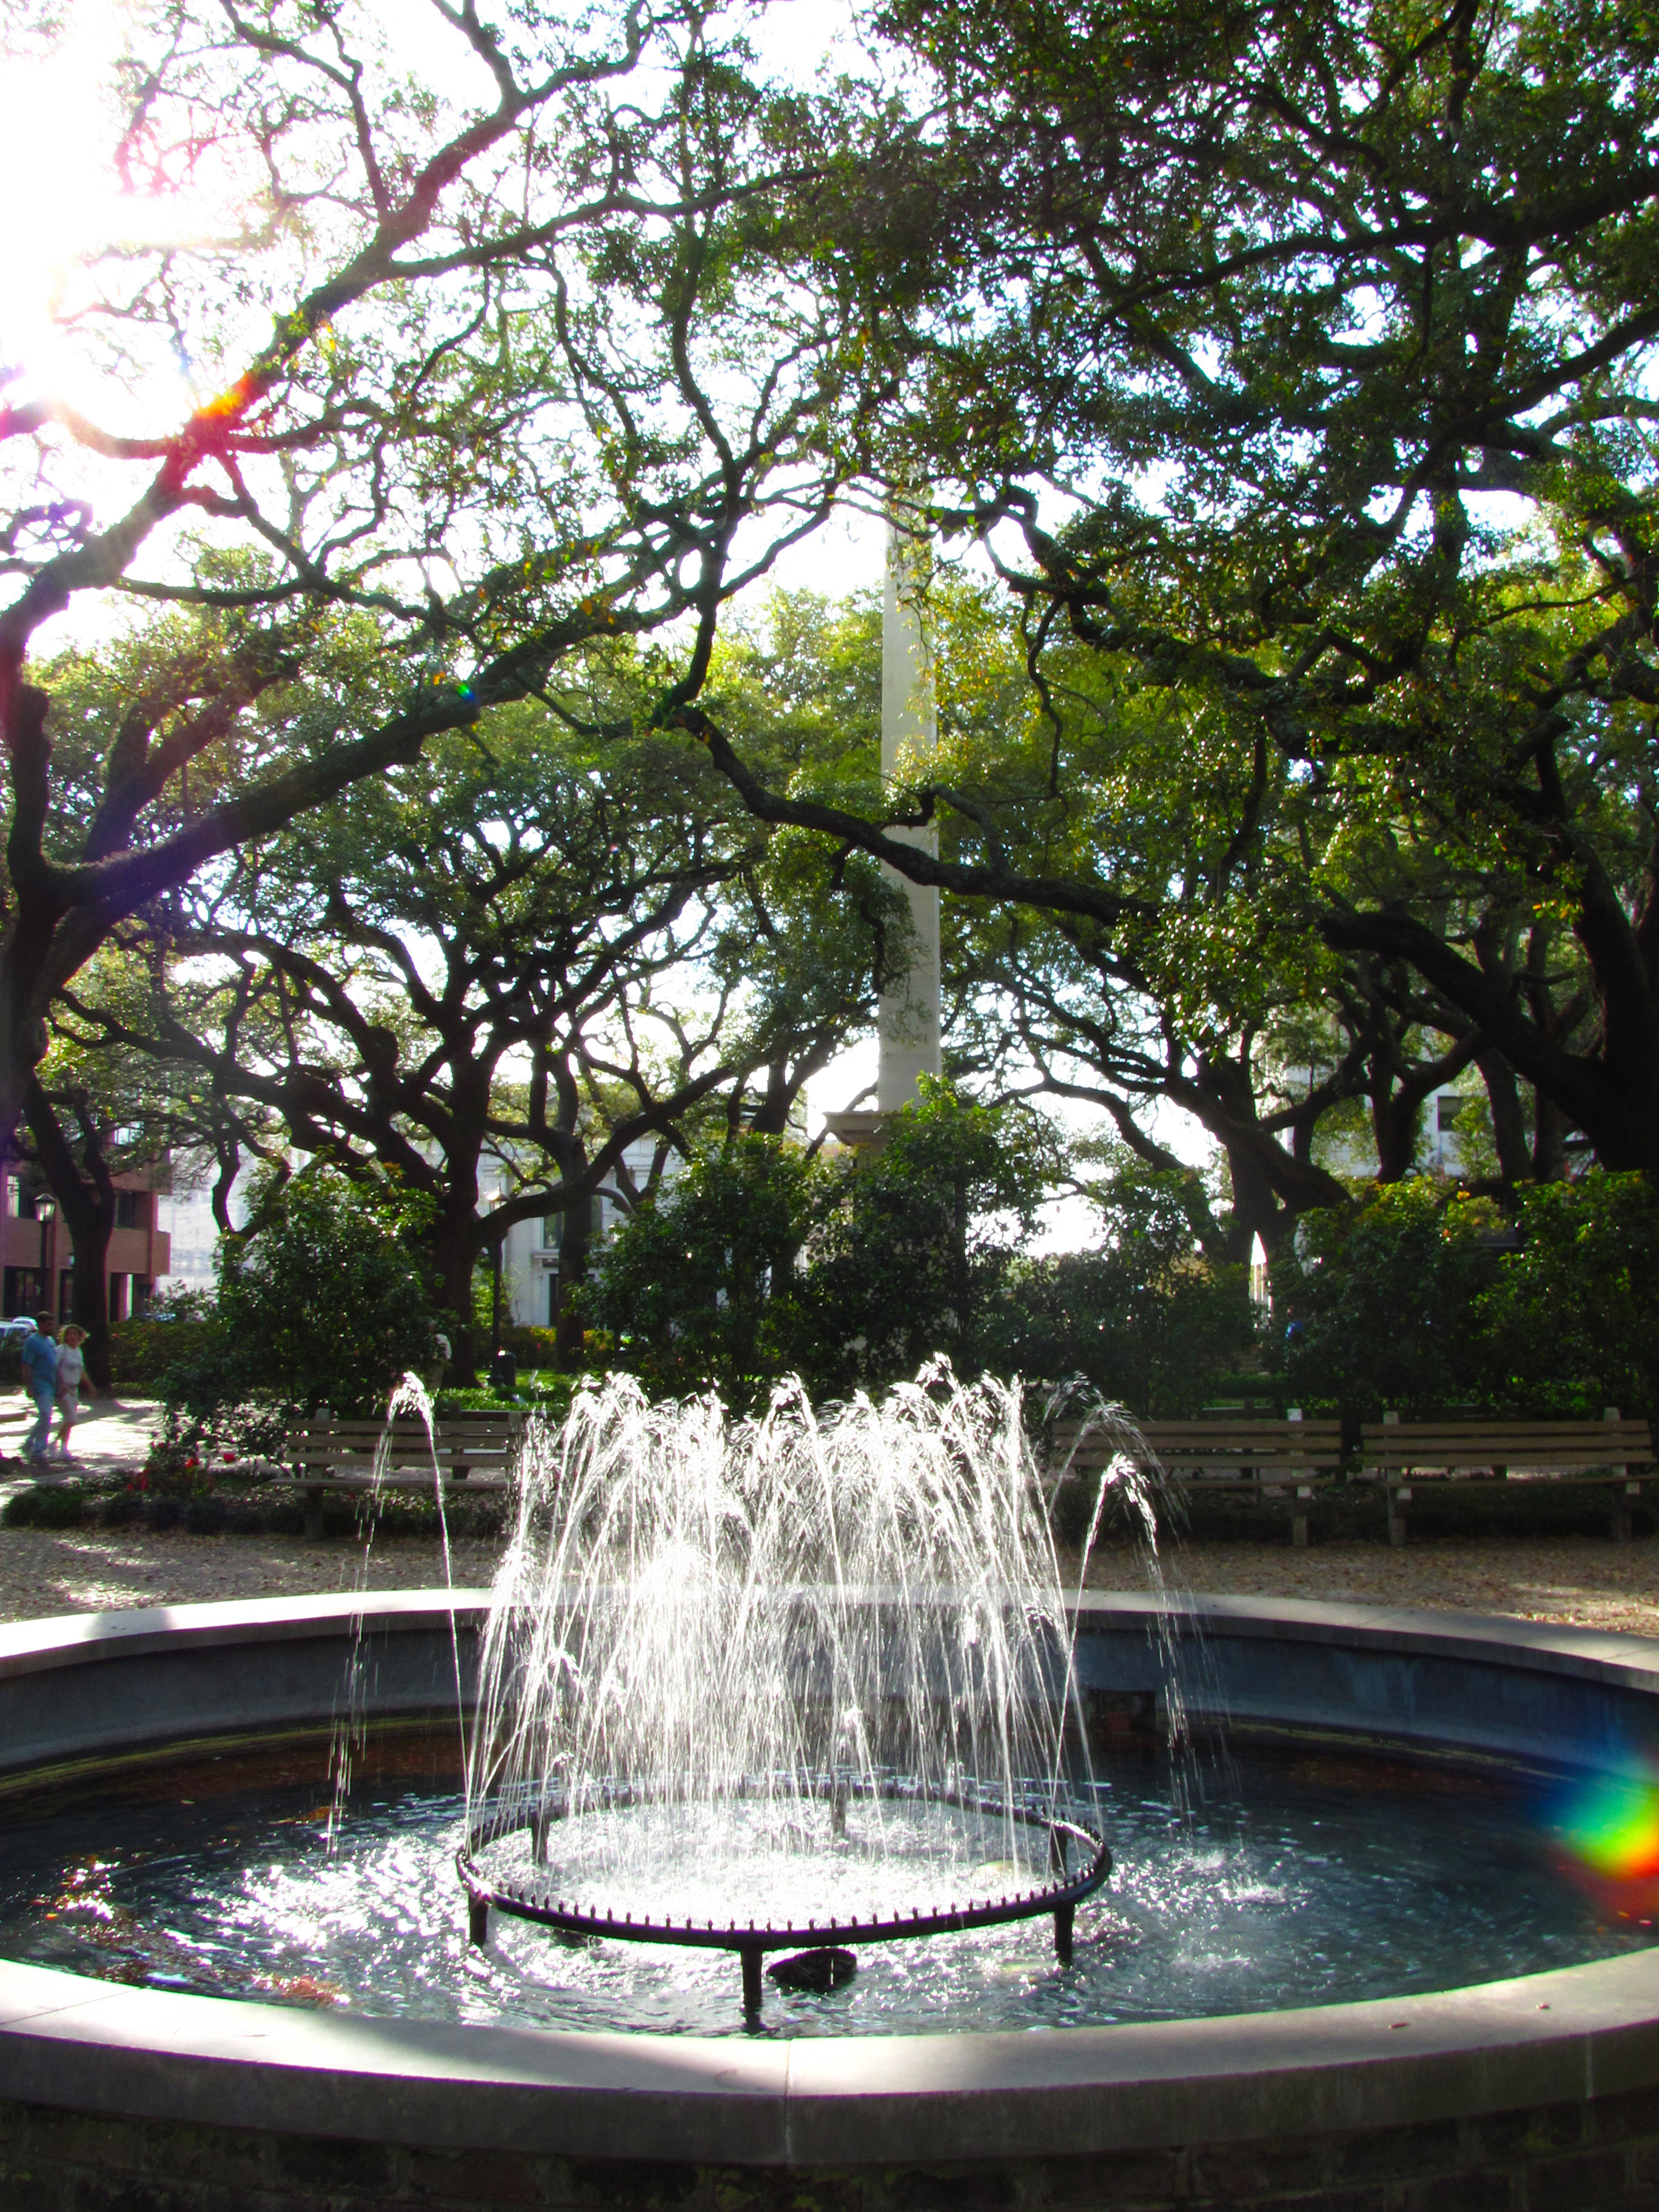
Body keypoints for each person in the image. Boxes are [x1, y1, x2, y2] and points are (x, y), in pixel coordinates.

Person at [18, 1316, 58, 1463]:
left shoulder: (51, 1341)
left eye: (52, 1324)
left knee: (44, 1417)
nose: (51, 1327)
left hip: (51, 1385)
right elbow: (26, 1365)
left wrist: (60, 1384)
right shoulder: (32, 1342)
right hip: (39, 1385)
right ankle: (39, 1450)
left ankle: (30, 1440)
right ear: (40, 1324)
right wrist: (29, 1386)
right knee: (46, 1415)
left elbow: (55, 1364)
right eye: (48, 1324)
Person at [52, 1322, 89, 1460]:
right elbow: (54, 1367)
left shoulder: (78, 1351)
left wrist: (90, 1386)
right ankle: (54, 1443)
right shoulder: (62, 1350)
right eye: (69, 1334)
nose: (72, 1336)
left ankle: (63, 1448)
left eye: (75, 1334)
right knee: (71, 1418)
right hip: (63, 1389)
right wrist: (60, 1383)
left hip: (74, 1389)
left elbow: (81, 1370)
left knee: (69, 1420)